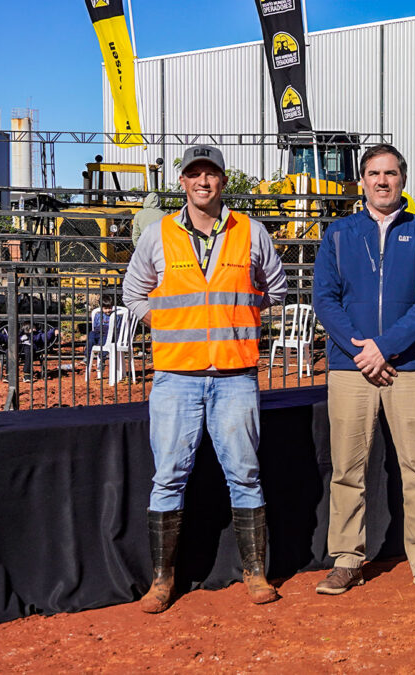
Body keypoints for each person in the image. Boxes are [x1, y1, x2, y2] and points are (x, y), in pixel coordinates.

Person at [123, 144, 288, 613]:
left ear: (222, 181)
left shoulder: (251, 233)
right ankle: (162, 580)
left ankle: (255, 573)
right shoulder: (156, 236)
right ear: (182, 182)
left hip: (235, 375)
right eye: (194, 174)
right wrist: (169, 326)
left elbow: (273, 290)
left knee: (246, 475)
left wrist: (239, 322)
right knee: (168, 478)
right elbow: (134, 293)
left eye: (210, 174)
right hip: (176, 376)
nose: (203, 182)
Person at [312, 144, 415, 597]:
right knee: (348, 468)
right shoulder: (338, 233)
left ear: (403, 180)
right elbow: (325, 299)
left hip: (408, 367)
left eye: (390, 173)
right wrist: (361, 351)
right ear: (362, 181)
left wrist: (385, 348)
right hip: (351, 368)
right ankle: (347, 558)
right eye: (373, 173)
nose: (382, 181)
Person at [85, 295, 123, 366]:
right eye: (106, 308)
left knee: (105, 338)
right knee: (91, 334)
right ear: (101, 307)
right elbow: (95, 326)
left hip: (110, 335)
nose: (108, 310)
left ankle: (102, 359)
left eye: (110, 308)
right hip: (99, 333)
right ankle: (87, 356)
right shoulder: (98, 315)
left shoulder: (116, 316)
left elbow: (117, 329)